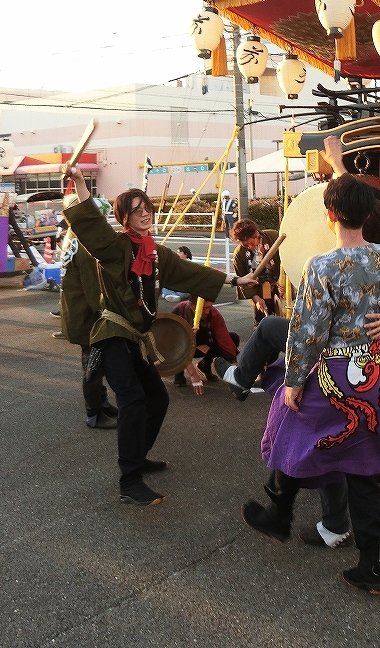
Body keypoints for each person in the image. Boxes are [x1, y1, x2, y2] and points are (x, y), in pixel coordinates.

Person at [241, 173, 380, 595]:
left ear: (330, 215)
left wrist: (294, 380)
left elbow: (307, 331)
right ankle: (370, 566)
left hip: (334, 375)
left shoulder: (322, 266)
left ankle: (280, 516)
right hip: (375, 377)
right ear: (368, 214)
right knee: (362, 467)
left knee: (291, 430)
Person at [63, 164, 258, 507]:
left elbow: (191, 272)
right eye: (136, 210)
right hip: (112, 334)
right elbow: (91, 224)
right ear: (124, 217)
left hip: (137, 338)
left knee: (157, 398)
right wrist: (80, 181)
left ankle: (138, 457)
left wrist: (236, 280)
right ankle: (129, 481)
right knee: (133, 401)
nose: (145, 214)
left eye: (147, 208)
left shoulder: (156, 253)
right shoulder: (115, 247)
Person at [57, 197, 118, 430]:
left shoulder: (72, 235)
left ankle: (102, 402)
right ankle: (93, 413)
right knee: (93, 365)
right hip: (86, 315)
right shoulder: (86, 245)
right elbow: (94, 289)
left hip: (74, 309)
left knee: (94, 361)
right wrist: (106, 312)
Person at [171, 298, 239, 386]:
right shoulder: (178, 312)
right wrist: (193, 374)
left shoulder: (213, 313)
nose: (207, 312)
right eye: (203, 308)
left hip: (203, 344)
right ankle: (179, 373)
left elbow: (224, 338)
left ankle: (204, 365)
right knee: (174, 347)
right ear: (192, 305)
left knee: (233, 338)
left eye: (209, 307)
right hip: (179, 347)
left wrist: (234, 364)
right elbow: (175, 345)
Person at [231, 219, 282, 326]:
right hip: (258, 290)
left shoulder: (274, 236)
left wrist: (283, 280)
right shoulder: (239, 254)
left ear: (257, 234)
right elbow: (242, 279)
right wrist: (256, 298)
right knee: (261, 322)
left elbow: (287, 260)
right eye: (245, 245)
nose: (249, 247)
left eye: (251, 243)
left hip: (280, 286)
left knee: (283, 320)